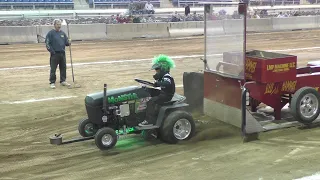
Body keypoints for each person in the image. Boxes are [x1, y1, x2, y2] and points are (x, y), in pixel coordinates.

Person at [139, 55, 176, 127]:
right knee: (147, 92)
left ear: (163, 69)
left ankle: (149, 120)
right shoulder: (162, 77)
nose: (156, 72)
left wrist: (158, 83)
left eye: (157, 70)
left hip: (167, 95)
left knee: (151, 101)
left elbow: (167, 83)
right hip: (162, 93)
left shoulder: (167, 76)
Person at [45, 19, 71, 89]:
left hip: (62, 54)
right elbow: (47, 44)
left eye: (60, 24)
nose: (59, 26)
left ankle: (63, 80)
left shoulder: (63, 33)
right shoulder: (50, 33)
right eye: (57, 24)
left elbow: (66, 43)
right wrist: (52, 51)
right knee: (53, 69)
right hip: (54, 54)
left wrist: (69, 42)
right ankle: (52, 82)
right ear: (54, 25)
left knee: (63, 68)